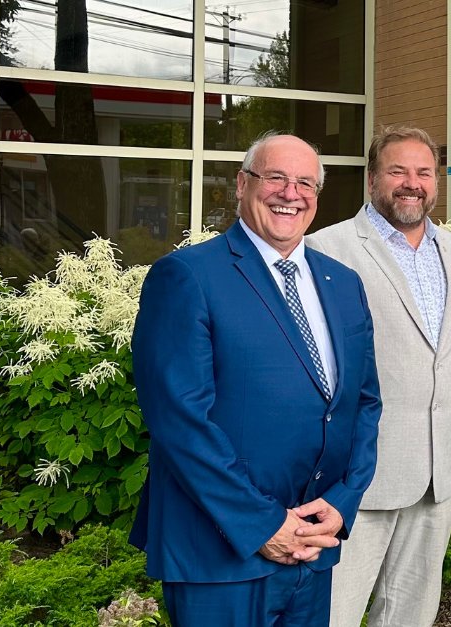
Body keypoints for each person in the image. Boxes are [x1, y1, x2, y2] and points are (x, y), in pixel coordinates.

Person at [130, 133, 382, 625]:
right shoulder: (187, 276)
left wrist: (342, 501)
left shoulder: (343, 283)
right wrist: (264, 524)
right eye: (276, 178)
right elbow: (180, 422)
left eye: (305, 182)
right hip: (219, 553)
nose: (291, 193)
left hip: (314, 544)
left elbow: (364, 403)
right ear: (242, 185)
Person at [306, 125, 451, 627]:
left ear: (437, 181)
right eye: (398, 171)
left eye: (423, 172)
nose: (412, 183)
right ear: (372, 179)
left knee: (412, 611)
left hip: (436, 470)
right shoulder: (326, 248)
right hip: (356, 475)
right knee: (334, 612)